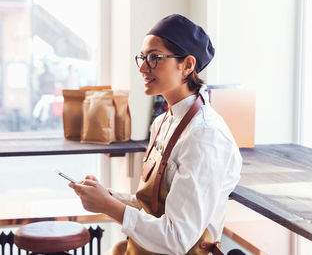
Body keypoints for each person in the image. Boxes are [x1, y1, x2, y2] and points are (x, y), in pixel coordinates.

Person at [70, 14, 242, 255]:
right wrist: (108, 196)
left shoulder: (205, 136)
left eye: (154, 58)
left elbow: (177, 238)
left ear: (187, 66)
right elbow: (154, 207)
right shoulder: (162, 122)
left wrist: (108, 206)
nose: (142, 67)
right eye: (142, 57)